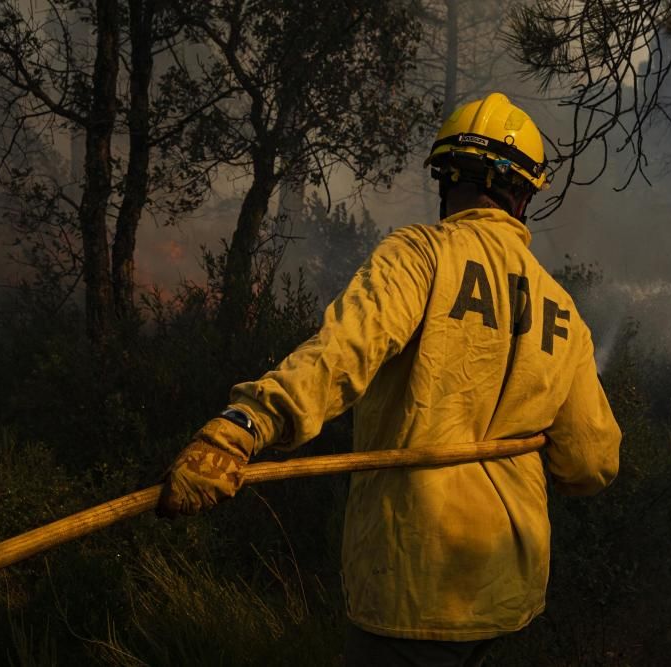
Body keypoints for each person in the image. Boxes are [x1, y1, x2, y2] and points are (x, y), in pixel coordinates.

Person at [157, 92, 622, 666]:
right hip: (505, 597)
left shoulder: (421, 255)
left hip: (413, 584)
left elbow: (341, 354)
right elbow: (591, 463)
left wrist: (240, 428)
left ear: (446, 180)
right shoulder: (562, 310)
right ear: (524, 195)